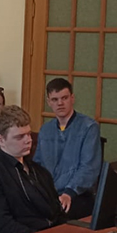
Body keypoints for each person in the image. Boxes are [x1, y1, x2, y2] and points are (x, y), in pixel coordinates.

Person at [0, 105, 63, 233]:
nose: (28, 140)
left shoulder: (38, 170)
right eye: (20, 137)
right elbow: (2, 227)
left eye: (29, 134)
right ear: (1, 140)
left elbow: (56, 211)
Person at [33, 78, 101, 221]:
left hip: (77, 194)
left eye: (64, 98)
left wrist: (69, 193)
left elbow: (89, 168)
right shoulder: (45, 130)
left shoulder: (88, 127)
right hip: (50, 194)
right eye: (55, 99)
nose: (60, 103)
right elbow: (37, 166)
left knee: (58, 217)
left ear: (72, 98)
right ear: (49, 102)